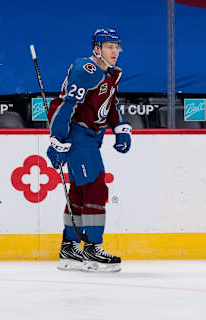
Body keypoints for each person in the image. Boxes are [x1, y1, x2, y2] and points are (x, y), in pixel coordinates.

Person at [46, 28, 132, 272]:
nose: (114, 51)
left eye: (117, 46)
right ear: (97, 49)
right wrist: (58, 140)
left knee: (80, 189)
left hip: (93, 137)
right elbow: (66, 105)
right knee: (95, 186)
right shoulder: (87, 70)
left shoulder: (112, 74)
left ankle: (70, 245)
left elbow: (110, 102)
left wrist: (120, 126)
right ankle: (93, 247)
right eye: (108, 46)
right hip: (78, 135)